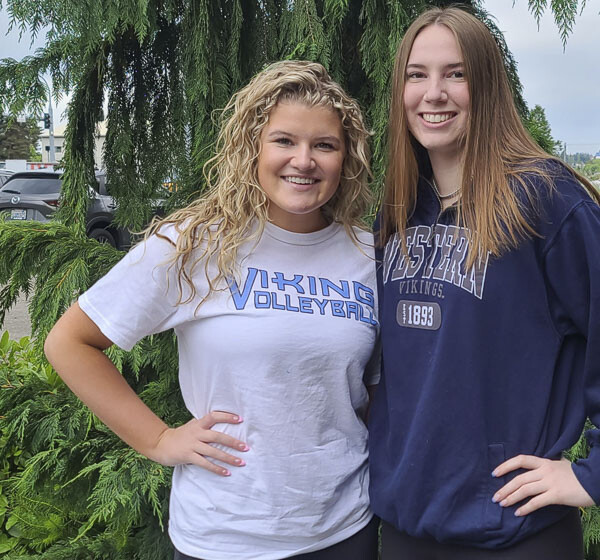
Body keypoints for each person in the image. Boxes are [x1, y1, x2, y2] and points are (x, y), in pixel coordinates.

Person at [368, 7, 600, 559]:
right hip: (407, 528)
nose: (433, 93)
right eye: (417, 75)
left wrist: (593, 472)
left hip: (513, 532)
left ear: (487, 85)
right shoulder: (396, 211)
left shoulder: (541, 198)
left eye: (456, 73)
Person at [44, 60, 380, 560]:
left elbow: (372, 393)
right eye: (284, 141)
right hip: (224, 535)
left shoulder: (368, 257)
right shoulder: (192, 246)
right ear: (253, 148)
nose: (304, 160)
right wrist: (158, 439)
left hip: (342, 528)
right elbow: (69, 343)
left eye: (324, 145)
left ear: (344, 158)